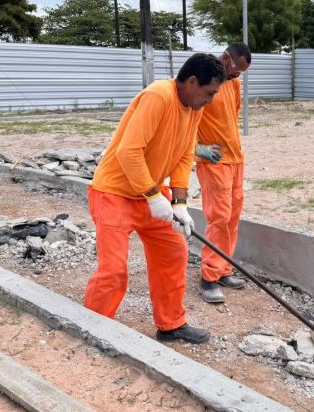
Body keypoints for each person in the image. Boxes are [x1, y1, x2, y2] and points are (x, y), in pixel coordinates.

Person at [84, 53, 226, 344]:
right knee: (113, 269)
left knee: (174, 252)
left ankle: (171, 324)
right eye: (209, 93)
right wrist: (152, 195)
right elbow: (128, 151)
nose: (210, 101)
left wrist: (180, 202)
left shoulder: (193, 107)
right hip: (114, 193)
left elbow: (185, 154)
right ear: (192, 82)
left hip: (150, 193)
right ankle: (93, 328)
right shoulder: (158, 96)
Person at [194, 43, 252, 303]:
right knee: (218, 217)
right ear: (226, 58)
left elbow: (232, 115)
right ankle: (209, 277)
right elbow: (187, 119)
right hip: (214, 161)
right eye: (235, 71)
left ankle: (224, 268)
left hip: (235, 159)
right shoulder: (204, 84)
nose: (236, 77)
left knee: (232, 217)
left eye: (240, 74)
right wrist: (199, 149)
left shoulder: (234, 85)